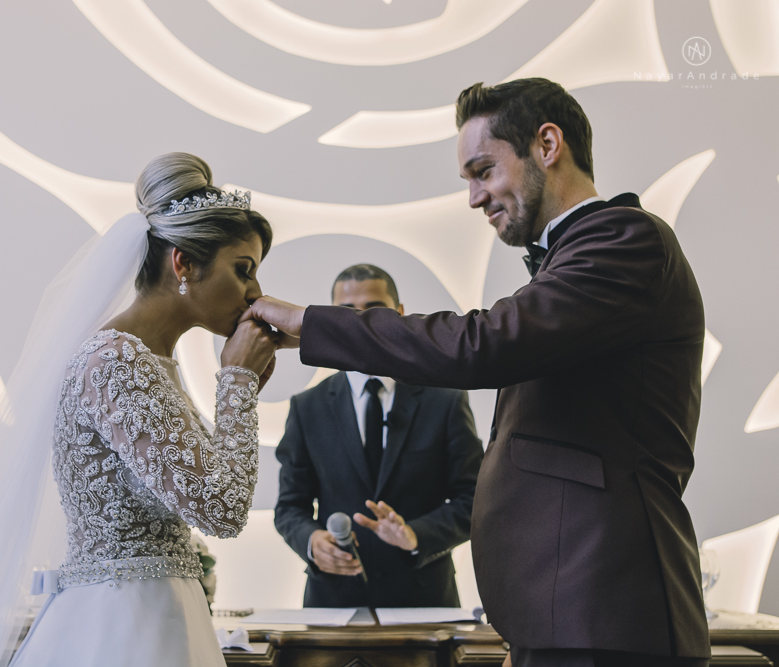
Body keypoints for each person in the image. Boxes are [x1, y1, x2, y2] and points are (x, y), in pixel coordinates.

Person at [247, 79, 710, 667]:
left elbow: (481, 345)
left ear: (547, 145)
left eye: (483, 170)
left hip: (605, 609)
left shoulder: (623, 239)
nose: (473, 197)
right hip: (568, 611)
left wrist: (311, 323)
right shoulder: (572, 259)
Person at [0, 153, 279, 667]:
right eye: (243, 269)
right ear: (183, 263)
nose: (255, 292)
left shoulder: (149, 360)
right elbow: (222, 510)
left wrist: (240, 387)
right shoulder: (115, 361)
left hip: (161, 613)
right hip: (124, 625)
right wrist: (238, 384)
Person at [274, 264, 483, 608]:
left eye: (373, 311)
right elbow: (289, 507)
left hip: (424, 602)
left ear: (400, 313)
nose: (359, 325)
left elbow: (475, 498)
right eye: (345, 313)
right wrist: (312, 542)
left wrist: (416, 535)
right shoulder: (306, 407)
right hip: (332, 603)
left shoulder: (445, 400)